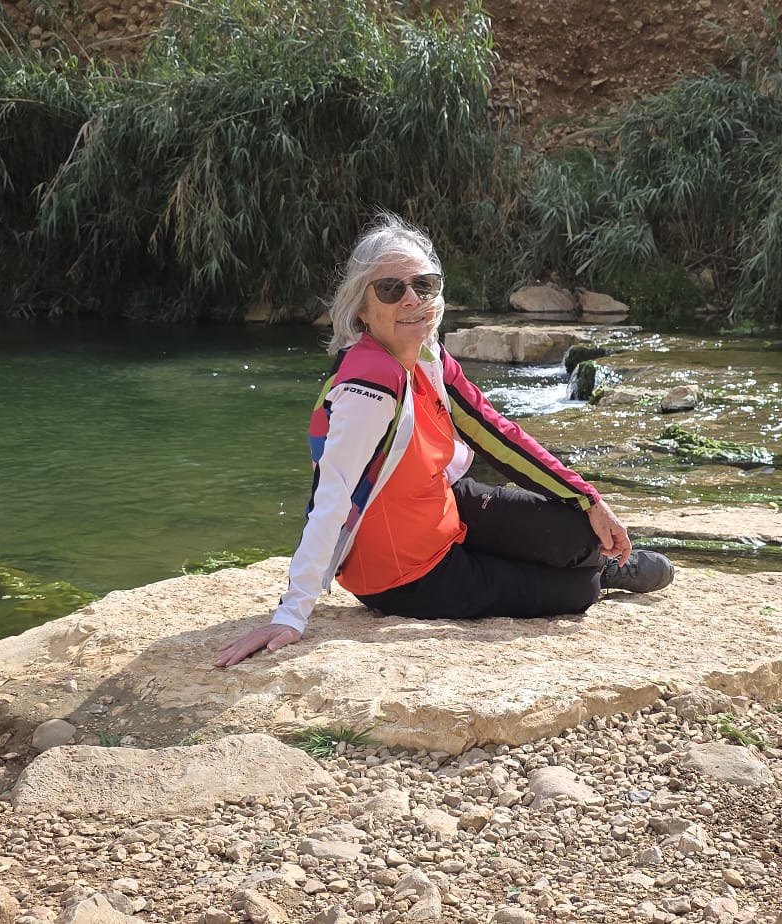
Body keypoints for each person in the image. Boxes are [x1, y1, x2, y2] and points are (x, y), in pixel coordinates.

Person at [215, 215, 674, 667]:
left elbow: (495, 432)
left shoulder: (427, 356)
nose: (412, 299)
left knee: (580, 530)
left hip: (443, 506)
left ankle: (592, 558)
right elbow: (330, 497)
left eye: (424, 285)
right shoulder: (368, 385)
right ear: (361, 309)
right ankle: (601, 574)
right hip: (405, 573)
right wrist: (292, 613)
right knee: (579, 590)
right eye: (391, 289)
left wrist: (587, 497)